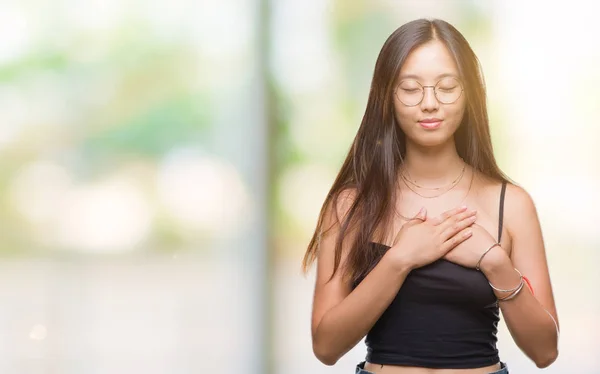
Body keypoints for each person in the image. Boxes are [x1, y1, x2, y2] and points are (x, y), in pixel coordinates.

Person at [301, 18, 559, 374]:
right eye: (410, 89)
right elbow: (326, 347)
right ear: (387, 96)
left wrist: (495, 262)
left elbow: (545, 351)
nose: (429, 103)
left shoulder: (511, 204)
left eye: (447, 86)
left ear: (469, 93)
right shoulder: (348, 206)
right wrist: (400, 259)